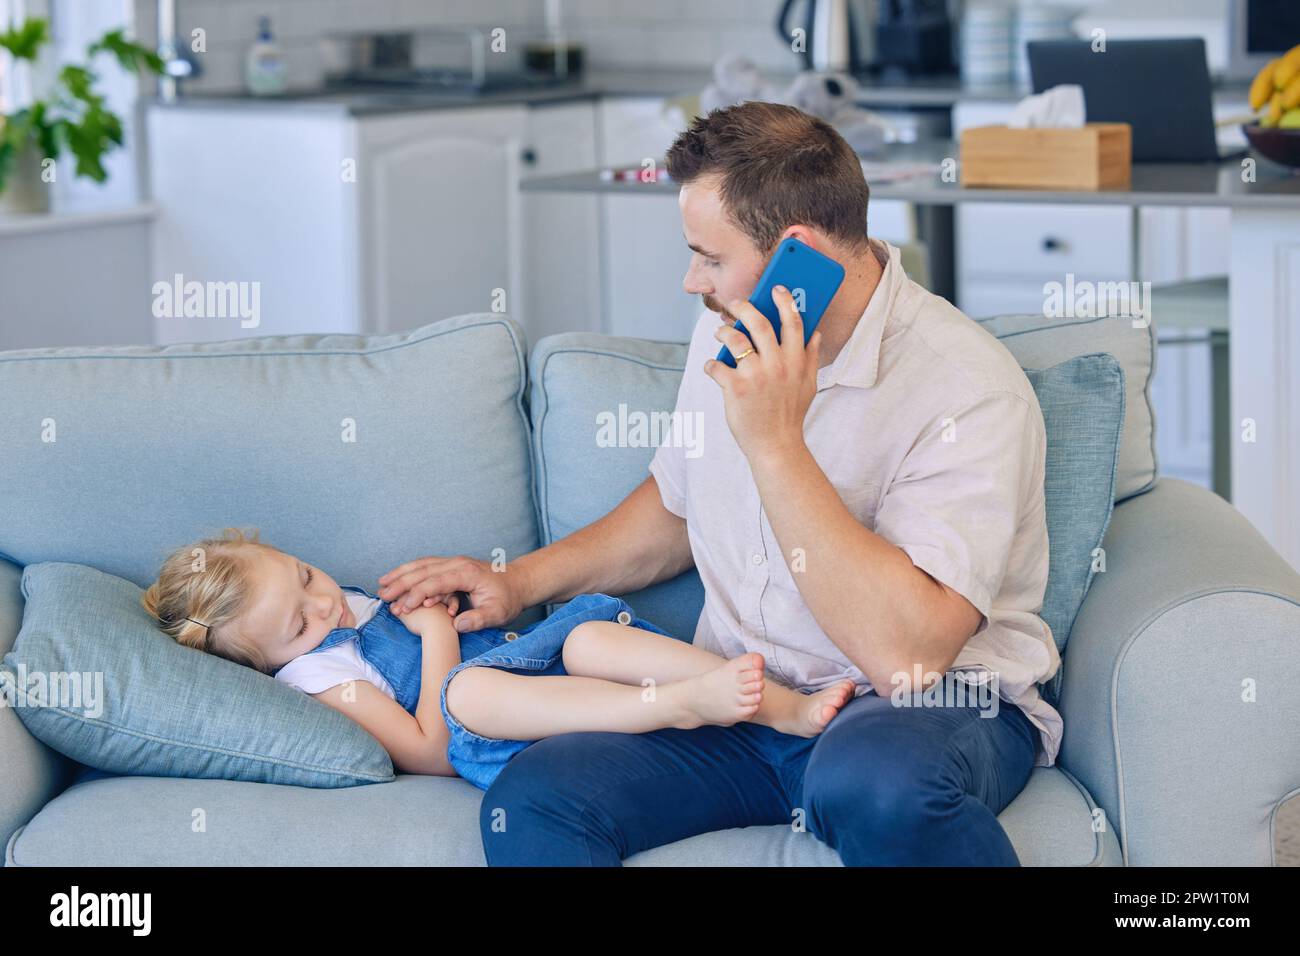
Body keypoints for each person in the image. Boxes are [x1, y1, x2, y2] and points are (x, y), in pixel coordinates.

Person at [379, 100, 1061, 866]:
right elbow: (678, 508)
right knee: (537, 795)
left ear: (794, 255)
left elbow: (904, 658)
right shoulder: (734, 324)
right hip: (747, 699)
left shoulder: (966, 388)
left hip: (922, 710)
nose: (690, 279)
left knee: (873, 784)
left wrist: (776, 446)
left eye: (708, 255)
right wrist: (518, 581)